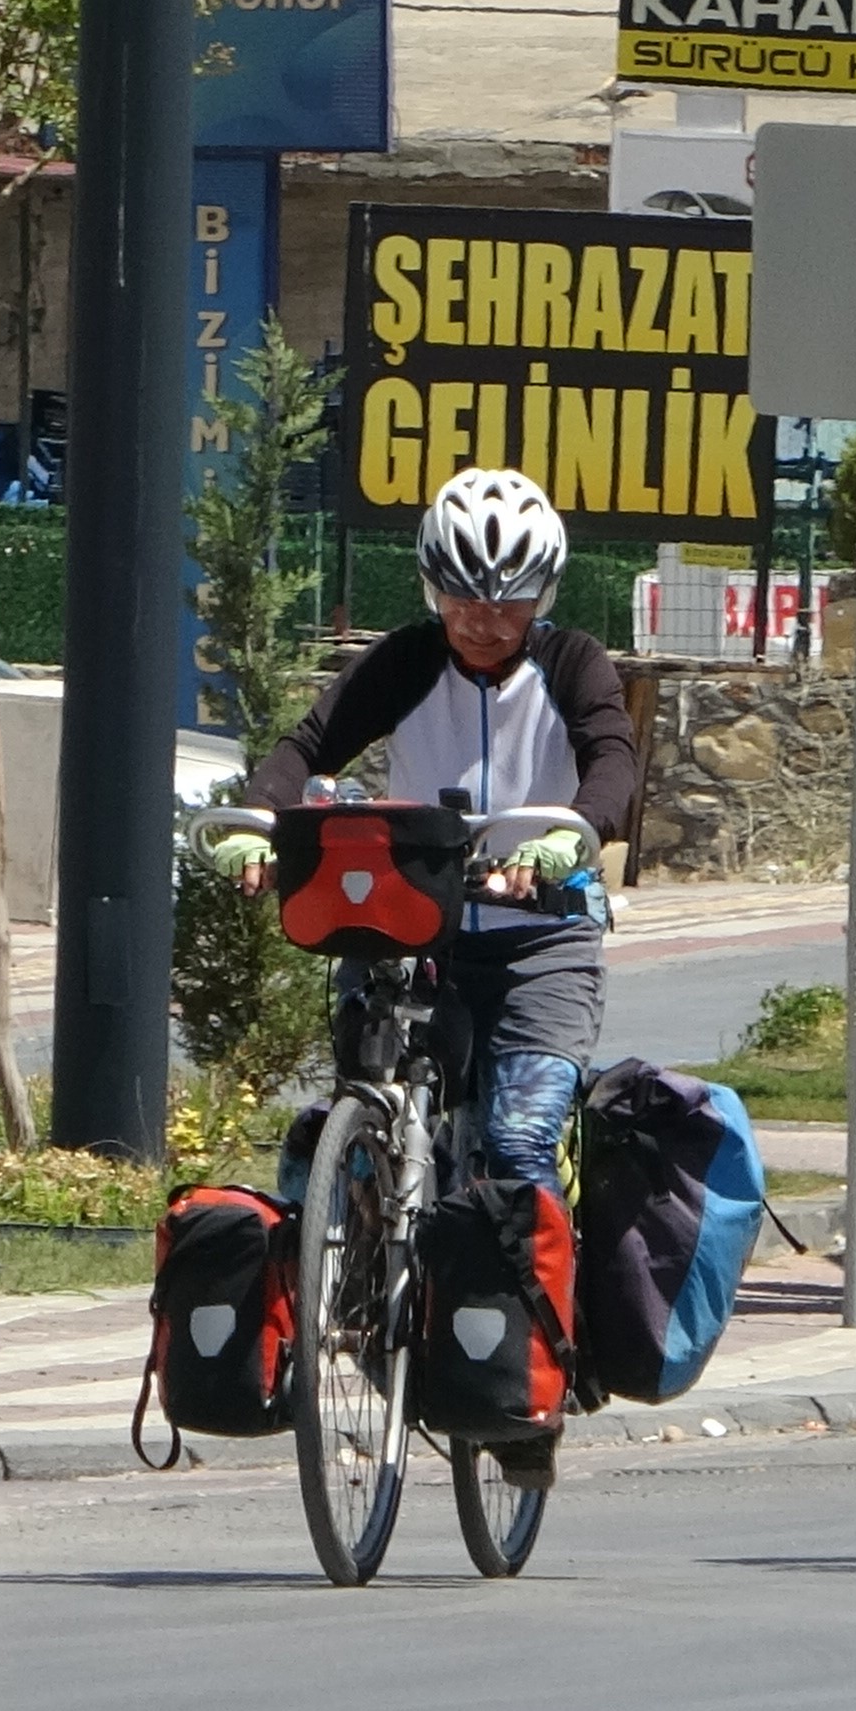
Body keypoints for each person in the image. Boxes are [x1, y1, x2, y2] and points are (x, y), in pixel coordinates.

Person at [223, 468, 638, 1199]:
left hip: (541, 940)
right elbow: (306, 748)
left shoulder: (573, 663)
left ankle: (542, 1288)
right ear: (430, 590)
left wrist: (571, 837)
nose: (484, 622)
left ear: (542, 595)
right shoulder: (405, 662)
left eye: (508, 604)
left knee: (517, 1142)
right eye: (461, 600)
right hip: (409, 932)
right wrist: (260, 822)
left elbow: (613, 761)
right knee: (368, 1128)